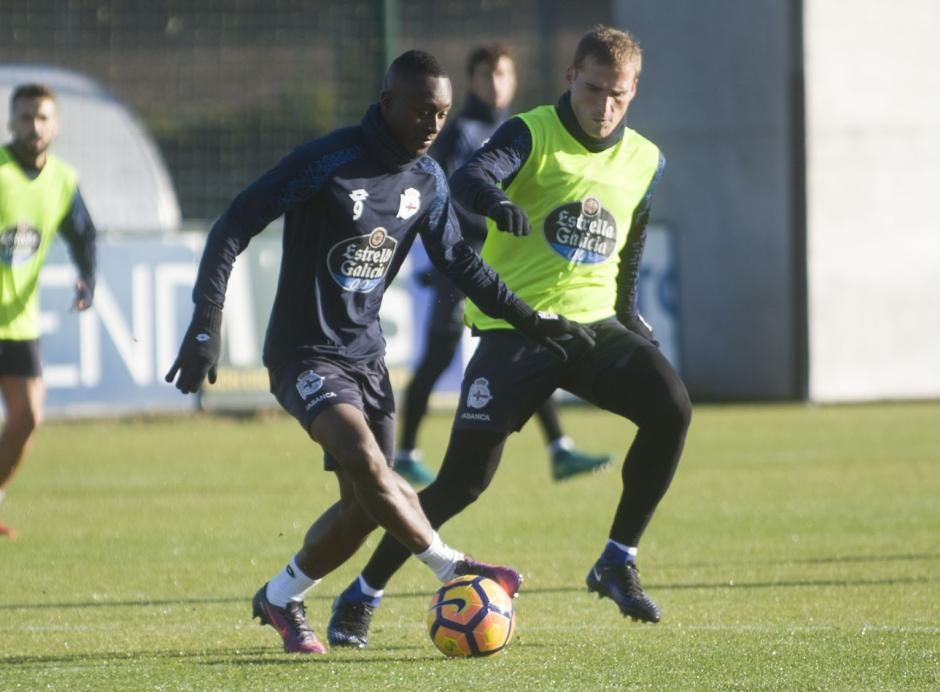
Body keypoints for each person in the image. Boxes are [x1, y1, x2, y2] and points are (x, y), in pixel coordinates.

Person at [165, 50, 595, 654]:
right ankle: (456, 569)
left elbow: (460, 264)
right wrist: (206, 319)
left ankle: (281, 597)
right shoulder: (329, 161)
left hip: (367, 359)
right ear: (388, 101)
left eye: (442, 113)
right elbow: (235, 223)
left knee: (365, 508)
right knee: (368, 461)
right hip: (303, 355)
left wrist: (527, 318)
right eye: (421, 110)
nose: (433, 124)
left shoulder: (429, 179)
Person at [328, 26, 692, 648]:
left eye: (619, 96)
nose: (605, 106)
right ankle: (363, 592)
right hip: (513, 328)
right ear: (571, 76)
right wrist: (494, 202)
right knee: (462, 484)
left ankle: (617, 559)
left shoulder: (645, 160)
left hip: (593, 329)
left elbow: (629, 245)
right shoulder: (530, 132)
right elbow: (471, 177)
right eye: (595, 88)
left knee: (672, 409)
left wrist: (628, 315)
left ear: (634, 92)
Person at [396, 42, 612, 485]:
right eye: (487, 76)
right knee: (440, 357)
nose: (497, 85)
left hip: (508, 265)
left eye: (504, 75)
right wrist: (490, 219)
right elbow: (451, 195)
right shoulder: (461, 132)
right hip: (466, 264)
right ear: (472, 81)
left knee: (527, 343)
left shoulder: (521, 129)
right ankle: (404, 452)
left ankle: (559, 448)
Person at [0, 84, 97, 540]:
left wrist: (87, 277)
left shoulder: (62, 180)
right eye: (24, 117)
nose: (33, 127)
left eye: (41, 118)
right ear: (10, 122)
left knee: (28, 419)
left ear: (54, 125)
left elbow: (84, 235)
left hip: (18, 324)